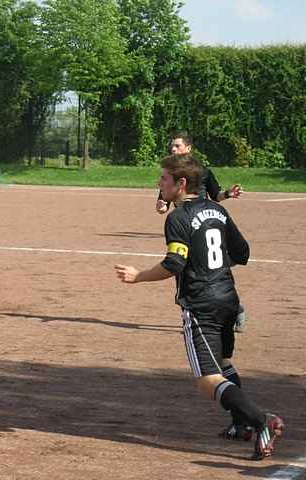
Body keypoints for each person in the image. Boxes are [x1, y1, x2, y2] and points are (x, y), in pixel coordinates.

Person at [115, 153, 284, 460]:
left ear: (181, 183)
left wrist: (138, 276)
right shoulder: (217, 210)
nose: (159, 183)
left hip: (201, 304)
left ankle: (262, 421)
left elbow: (174, 264)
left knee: (208, 381)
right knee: (222, 363)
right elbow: (242, 252)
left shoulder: (177, 218)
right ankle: (241, 424)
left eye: (164, 178)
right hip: (229, 298)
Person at [157, 133, 248, 335]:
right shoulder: (170, 174)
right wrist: (162, 206)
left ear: (188, 148)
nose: (173, 149)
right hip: (186, 227)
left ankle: (234, 307)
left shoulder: (202, 171)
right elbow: (163, 203)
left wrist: (229, 194)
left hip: (204, 224)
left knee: (208, 271)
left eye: (177, 146)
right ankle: (204, 314)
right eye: (172, 146)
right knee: (191, 271)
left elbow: (216, 195)